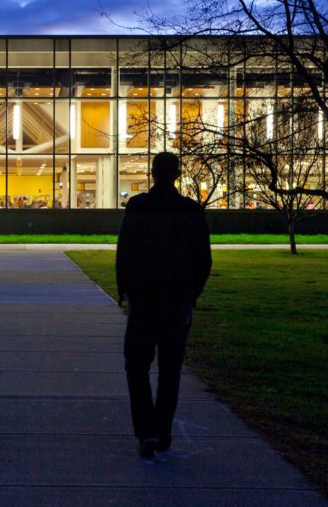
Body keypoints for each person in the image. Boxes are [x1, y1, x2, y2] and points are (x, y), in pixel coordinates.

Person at [116, 152, 212, 459]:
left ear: (153, 173)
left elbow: (125, 251)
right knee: (170, 370)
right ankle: (164, 431)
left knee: (137, 367)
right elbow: (203, 259)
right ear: (177, 174)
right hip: (177, 302)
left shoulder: (138, 206)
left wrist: (124, 289)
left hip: (144, 301)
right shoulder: (191, 210)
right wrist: (192, 293)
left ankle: (147, 431)